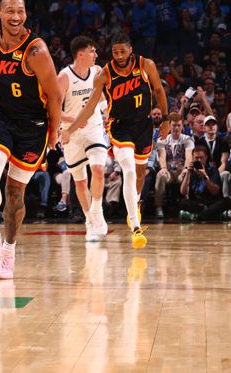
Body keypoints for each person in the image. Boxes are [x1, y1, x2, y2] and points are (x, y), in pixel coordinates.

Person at [0, 0, 62, 280]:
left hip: (32, 126)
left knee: (14, 192)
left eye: (20, 11)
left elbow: (55, 96)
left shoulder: (36, 50)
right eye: (10, 11)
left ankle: (8, 251)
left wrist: (55, 133)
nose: (16, 16)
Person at [66, 32, 169, 249]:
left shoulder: (146, 65)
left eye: (123, 51)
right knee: (129, 170)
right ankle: (135, 226)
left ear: (131, 49)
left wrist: (166, 119)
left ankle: (135, 204)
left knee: (140, 173)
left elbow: (159, 90)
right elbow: (90, 108)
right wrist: (70, 129)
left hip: (143, 124)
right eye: (115, 52)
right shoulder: (104, 74)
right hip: (120, 126)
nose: (119, 55)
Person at [58, 35, 109, 242]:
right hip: (71, 131)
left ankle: (98, 211)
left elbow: (101, 97)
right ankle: (89, 221)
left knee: (98, 168)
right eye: (92, 51)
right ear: (81, 54)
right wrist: (75, 120)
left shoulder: (97, 71)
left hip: (94, 127)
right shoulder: (64, 77)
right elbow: (52, 110)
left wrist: (106, 113)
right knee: (80, 181)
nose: (96, 55)